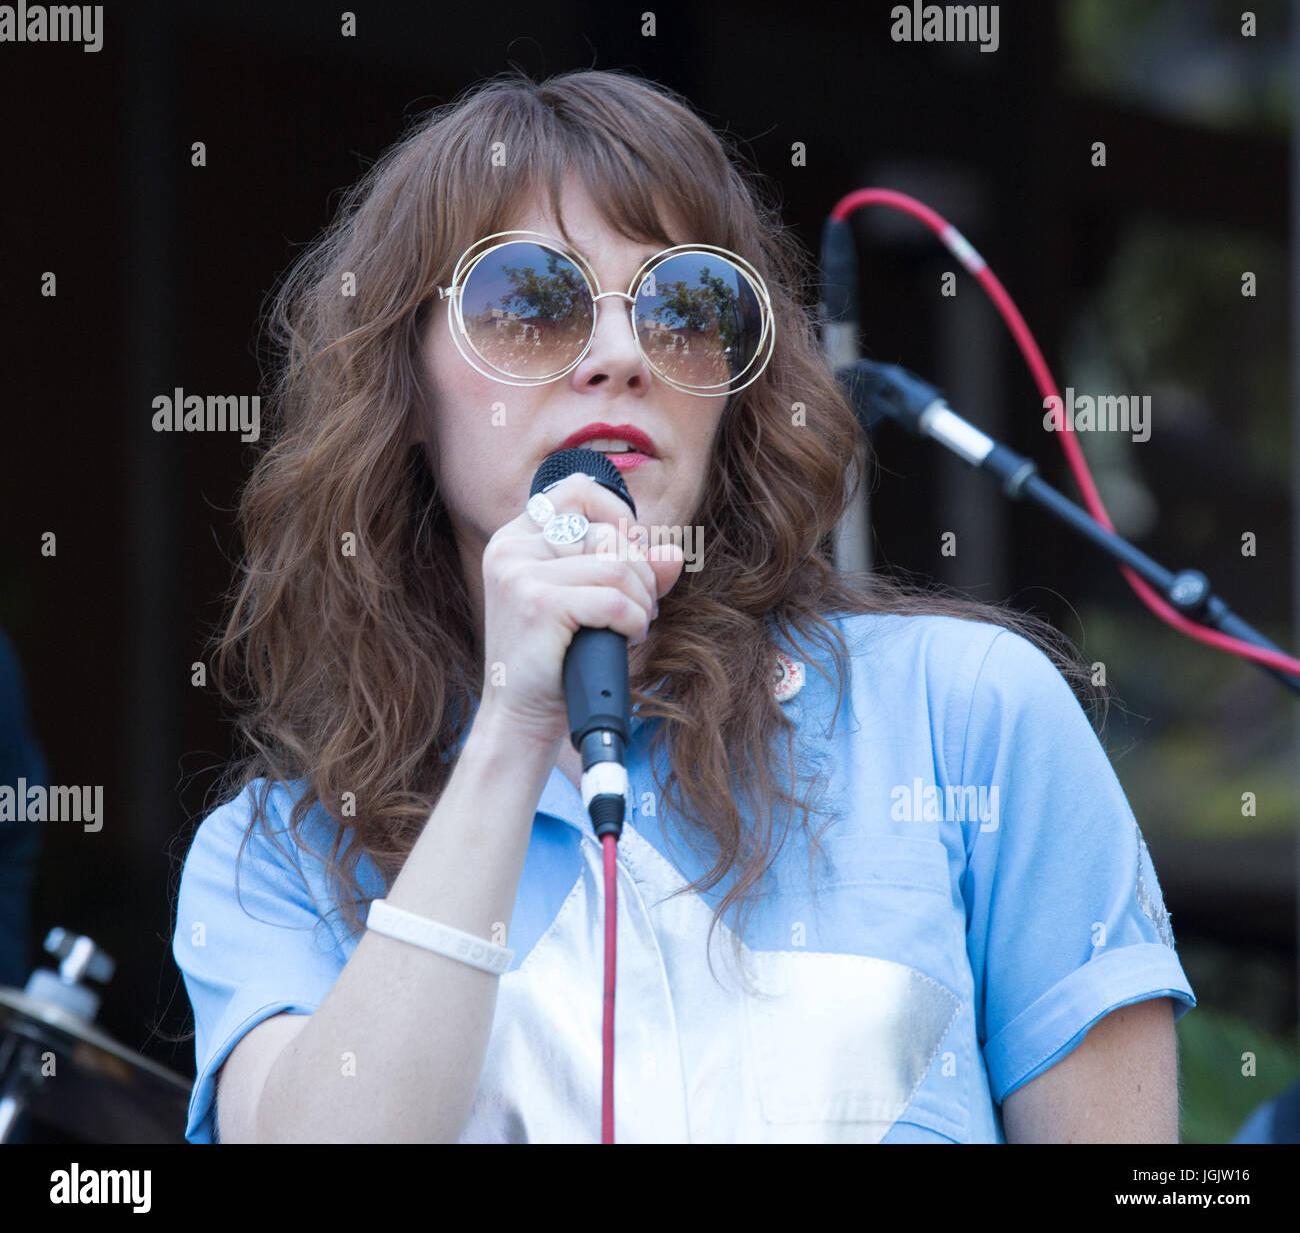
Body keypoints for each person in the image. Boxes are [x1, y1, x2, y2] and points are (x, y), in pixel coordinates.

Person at [172, 67, 1195, 1144]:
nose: (619, 356)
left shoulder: (970, 716)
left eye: (684, 305)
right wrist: (515, 730)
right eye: (529, 300)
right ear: (405, 385)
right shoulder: (277, 857)